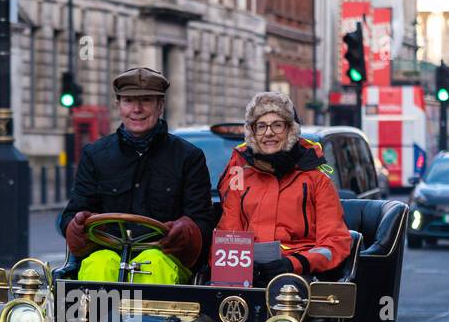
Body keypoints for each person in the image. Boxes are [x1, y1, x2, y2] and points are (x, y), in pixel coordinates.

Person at [59, 67, 215, 284]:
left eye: (146, 100)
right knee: (99, 264)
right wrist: (77, 224)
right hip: (107, 251)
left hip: (164, 254)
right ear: (118, 105)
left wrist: (185, 231)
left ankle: (150, 309)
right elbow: (71, 214)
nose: (137, 109)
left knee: (153, 263)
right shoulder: (95, 155)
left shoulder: (188, 157)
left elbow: (202, 221)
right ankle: (96, 309)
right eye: (129, 101)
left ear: (160, 106)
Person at [215, 91, 352, 284]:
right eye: (261, 126)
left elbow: (335, 243)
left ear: (290, 130)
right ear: (252, 134)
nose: (268, 133)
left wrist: (293, 264)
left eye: (277, 125)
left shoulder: (317, 179)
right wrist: (232, 269)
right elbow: (229, 235)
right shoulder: (240, 178)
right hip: (247, 275)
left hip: (300, 277)